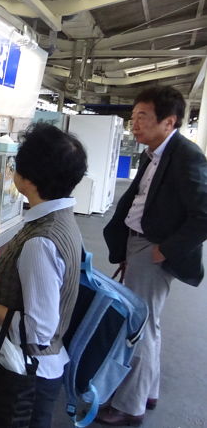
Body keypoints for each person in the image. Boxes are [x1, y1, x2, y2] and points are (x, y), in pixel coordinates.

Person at [0, 123, 87, 428]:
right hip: (38, 368)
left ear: (27, 178)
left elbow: (37, 331)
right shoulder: (61, 221)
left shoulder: (41, 242)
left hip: (22, 375)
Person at [98, 86, 207, 425]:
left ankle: (130, 406)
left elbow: (204, 212)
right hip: (140, 243)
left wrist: (165, 249)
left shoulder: (186, 156)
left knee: (137, 326)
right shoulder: (156, 152)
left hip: (152, 247)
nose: (135, 124)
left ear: (169, 121)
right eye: (133, 117)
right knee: (149, 323)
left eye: (142, 117)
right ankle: (147, 390)